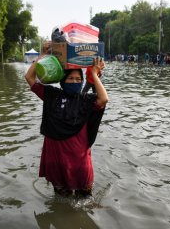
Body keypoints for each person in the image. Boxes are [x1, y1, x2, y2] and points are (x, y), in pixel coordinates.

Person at [25, 56, 108, 197]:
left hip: (78, 157)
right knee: (61, 195)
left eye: (78, 79)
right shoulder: (52, 94)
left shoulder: (85, 100)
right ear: (63, 81)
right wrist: (41, 56)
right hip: (56, 155)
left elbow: (104, 99)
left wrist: (94, 74)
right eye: (70, 79)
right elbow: (29, 77)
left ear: (82, 82)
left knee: (85, 195)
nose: (75, 82)